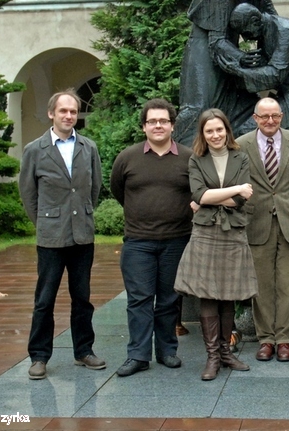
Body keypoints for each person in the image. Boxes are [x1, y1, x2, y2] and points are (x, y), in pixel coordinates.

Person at [19, 89, 105, 380]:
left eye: (73, 111)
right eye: (63, 111)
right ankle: (39, 356)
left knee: (82, 297)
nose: (69, 116)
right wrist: (46, 221)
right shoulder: (35, 149)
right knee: (45, 299)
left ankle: (84, 350)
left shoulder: (88, 147)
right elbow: (28, 194)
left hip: (82, 235)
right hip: (51, 237)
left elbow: (95, 188)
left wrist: (82, 214)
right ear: (51, 114)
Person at [109, 99, 192, 377]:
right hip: (138, 242)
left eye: (163, 121)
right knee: (139, 300)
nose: (158, 125)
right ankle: (138, 355)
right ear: (144, 126)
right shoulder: (127, 158)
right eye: (152, 121)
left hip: (177, 240)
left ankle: (167, 351)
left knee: (169, 300)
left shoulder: (188, 158)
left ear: (172, 125)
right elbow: (118, 190)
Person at [174, 109, 258, 381]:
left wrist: (211, 198)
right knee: (208, 294)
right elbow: (199, 194)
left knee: (228, 293)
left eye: (219, 129)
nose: (215, 135)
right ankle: (212, 356)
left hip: (233, 232)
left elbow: (241, 200)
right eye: (209, 131)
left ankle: (225, 352)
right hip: (206, 232)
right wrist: (235, 189)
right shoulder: (196, 159)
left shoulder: (240, 157)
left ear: (227, 130)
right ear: (203, 134)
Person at [174, 0, 280, 146]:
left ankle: (235, 150)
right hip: (204, 49)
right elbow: (216, 41)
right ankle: (181, 153)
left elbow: (274, 21)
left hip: (228, 47)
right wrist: (240, 57)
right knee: (200, 107)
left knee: (245, 105)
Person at [238, 98, 289, 362]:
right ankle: (266, 339)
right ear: (255, 118)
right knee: (262, 284)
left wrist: (287, 202)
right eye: (264, 116)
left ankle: (284, 340)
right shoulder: (242, 144)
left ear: (282, 116)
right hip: (257, 221)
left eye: (275, 116)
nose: (270, 121)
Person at [220, 3, 289, 169]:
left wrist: (238, 72)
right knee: (247, 131)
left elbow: (274, 75)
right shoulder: (266, 30)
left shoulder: (285, 31)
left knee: (250, 131)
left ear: (255, 21)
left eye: (246, 32)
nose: (246, 38)